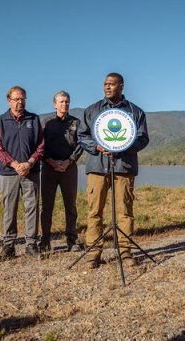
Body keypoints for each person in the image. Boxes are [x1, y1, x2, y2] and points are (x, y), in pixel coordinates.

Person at [77, 72, 149, 269]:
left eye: (111, 84)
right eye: (105, 84)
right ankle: (93, 253)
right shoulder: (91, 111)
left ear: (121, 86)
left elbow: (143, 139)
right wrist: (97, 147)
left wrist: (124, 146)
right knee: (94, 211)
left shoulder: (135, 111)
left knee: (125, 211)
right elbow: (82, 136)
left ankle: (125, 251)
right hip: (97, 168)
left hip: (123, 168)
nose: (107, 87)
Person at [0, 86, 44, 260]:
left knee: (32, 208)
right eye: (16, 99)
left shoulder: (34, 119)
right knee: (9, 209)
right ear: (9, 100)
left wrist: (29, 163)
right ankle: (9, 245)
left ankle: (31, 244)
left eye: (22, 98)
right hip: (9, 173)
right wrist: (15, 164)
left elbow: (41, 145)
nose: (20, 102)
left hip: (31, 171)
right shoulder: (0, 121)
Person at [40, 91, 83, 253]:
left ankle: (72, 240)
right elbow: (40, 146)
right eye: (61, 102)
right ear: (54, 104)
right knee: (46, 207)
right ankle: (45, 240)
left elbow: (80, 145)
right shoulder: (46, 123)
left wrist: (68, 161)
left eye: (67, 101)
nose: (64, 104)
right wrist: (51, 162)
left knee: (70, 206)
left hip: (69, 168)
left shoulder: (76, 123)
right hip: (49, 169)